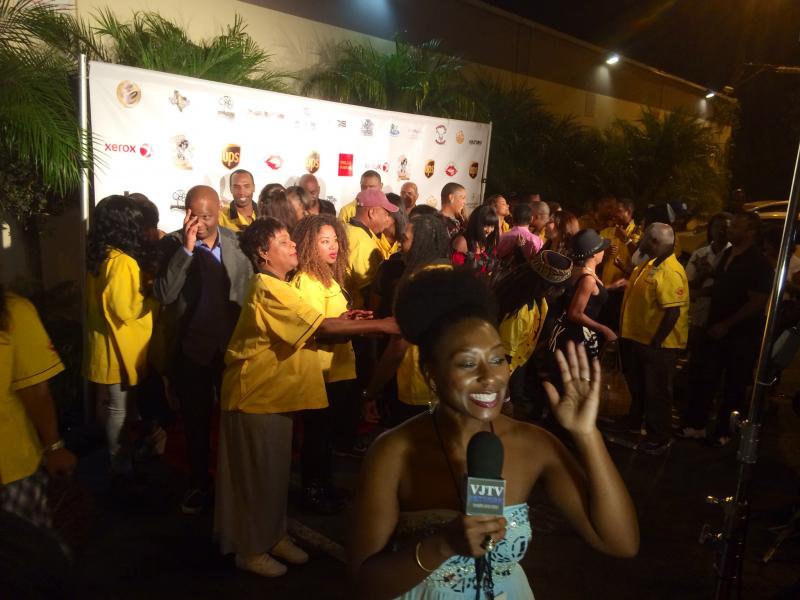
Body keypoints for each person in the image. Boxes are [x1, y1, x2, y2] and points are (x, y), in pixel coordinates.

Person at [349, 268, 639, 599]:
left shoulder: (534, 444)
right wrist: (442, 544)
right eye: (467, 364)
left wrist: (588, 436)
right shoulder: (393, 451)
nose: (490, 377)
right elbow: (366, 583)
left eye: (497, 358)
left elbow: (620, 543)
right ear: (431, 374)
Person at [215, 217, 397, 578]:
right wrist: (385, 325)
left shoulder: (282, 286)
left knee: (273, 477)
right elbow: (323, 326)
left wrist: (347, 318)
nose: (293, 245)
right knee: (257, 479)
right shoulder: (270, 287)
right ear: (263, 253)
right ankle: (250, 549)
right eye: (284, 242)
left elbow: (316, 325)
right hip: (256, 396)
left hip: (276, 397)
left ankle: (273, 535)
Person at [152, 185, 252, 514]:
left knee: (235, 420)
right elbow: (165, 294)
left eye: (208, 216)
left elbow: (252, 288)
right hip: (192, 350)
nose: (202, 223)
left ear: (219, 212)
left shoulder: (239, 242)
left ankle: (234, 485)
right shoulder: (172, 245)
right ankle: (198, 483)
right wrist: (187, 248)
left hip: (232, 349)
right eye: (195, 216)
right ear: (186, 213)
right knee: (195, 423)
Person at [684, 212, 772, 446]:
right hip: (715, 329)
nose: (729, 229)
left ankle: (724, 432)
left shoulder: (758, 263)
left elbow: (757, 302)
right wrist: (699, 292)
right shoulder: (727, 254)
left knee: (733, 383)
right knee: (707, 377)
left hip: (740, 335)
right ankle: (697, 426)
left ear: (751, 231)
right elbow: (721, 285)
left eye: (736, 225)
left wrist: (728, 324)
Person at [291, 214, 359, 514]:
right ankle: (313, 491)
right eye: (324, 241)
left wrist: (351, 320)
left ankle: (325, 486)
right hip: (319, 372)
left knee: (327, 436)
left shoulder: (329, 276)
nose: (333, 247)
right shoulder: (306, 281)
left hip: (339, 369)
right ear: (309, 244)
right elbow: (319, 328)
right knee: (317, 437)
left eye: (335, 240)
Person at [84, 195, 155, 478]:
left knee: (115, 407)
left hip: (105, 344)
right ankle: (120, 468)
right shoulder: (123, 261)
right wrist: (150, 295)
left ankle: (120, 461)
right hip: (118, 348)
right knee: (119, 410)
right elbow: (126, 309)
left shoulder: (100, 254)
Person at [609, 223, 690, 455]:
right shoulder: (651, 262)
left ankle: (659, 437)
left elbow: (673, 311)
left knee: (657, 393)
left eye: (644, 238)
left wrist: (657, 341)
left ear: (654, 242)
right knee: (639, 386)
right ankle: (633, 422)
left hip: (659, 346)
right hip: (639, 340)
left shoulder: (670, 271)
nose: (640, 241)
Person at [365, 214, 453, 426]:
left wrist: (371, 392)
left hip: (417, 388)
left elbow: (398, 347)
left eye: (404, 239)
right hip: (447, 384)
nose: (400, 245)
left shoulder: (417, 283)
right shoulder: (452, 274)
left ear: (420, 244)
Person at [1, 285, 76, 529]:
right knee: (26, 554)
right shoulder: (12, 312)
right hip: (10, 470)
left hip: (11, 465)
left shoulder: (13, 311)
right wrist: (54, 446)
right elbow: (35, 391)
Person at [495, 250, 573, 420]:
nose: (562, 294)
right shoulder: (520, 312)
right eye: (561, 289)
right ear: (550, 287)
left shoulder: (540, 301)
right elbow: (504, 357)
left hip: (519, 363)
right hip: (505, 371)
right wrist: (505, 397)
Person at [677, 213, 731, 440]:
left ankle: (703, 420)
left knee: (713, 373)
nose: (720, 231)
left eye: (725, 228)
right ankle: (691, 418)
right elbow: (688, 287)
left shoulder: (732, 256)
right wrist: (703, 278)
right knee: (696, 368)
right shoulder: (701, 254)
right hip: (701, 318)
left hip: (722, 321)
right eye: (717, 227)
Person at [547, 230, 617, 362]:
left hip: (568, 334)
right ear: (594, 253)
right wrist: (604, 330)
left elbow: (588, 295)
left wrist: (610, 287)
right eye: (602, 249)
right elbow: (575, 313)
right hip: (577, 337)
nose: (604, 252)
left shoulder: (577, 271)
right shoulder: (588, 279)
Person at [451, 205, 499, 277]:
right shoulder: (462, 241)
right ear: (476, 223)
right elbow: (455, 275)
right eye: (485, 226)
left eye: (492, 226)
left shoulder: (488, 241)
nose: (489, 231)